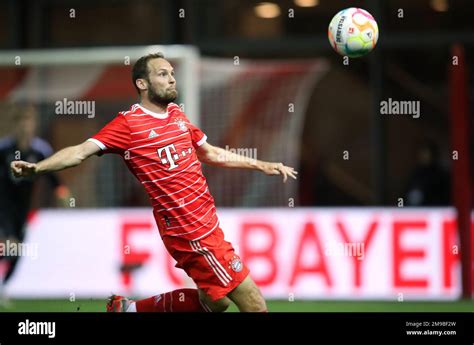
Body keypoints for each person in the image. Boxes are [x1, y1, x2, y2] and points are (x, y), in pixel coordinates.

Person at [11, 53, 298, 312]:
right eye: (162, 73)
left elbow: (209, 152)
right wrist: (37, 168)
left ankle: (129, 310)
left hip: (207, 225)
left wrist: (261, 164)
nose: (172, 77)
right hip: (191, 233)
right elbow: (80, 151)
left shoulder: (177, 115)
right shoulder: (128, 124)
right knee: (255, 304)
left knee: (214, 303)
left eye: (172, 72)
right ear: (142, 84)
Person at [0, 104, 70, 305]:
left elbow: (51, 174)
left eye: (28, 121)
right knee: (9, 243)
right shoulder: (4, 149)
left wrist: (61, 191)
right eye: (21, 121)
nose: (25, 126)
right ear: (15, 125)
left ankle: (3, 287)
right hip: (2, 205)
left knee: (16, 251)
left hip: (22, 208)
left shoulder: (40, 150)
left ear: (33, 125)